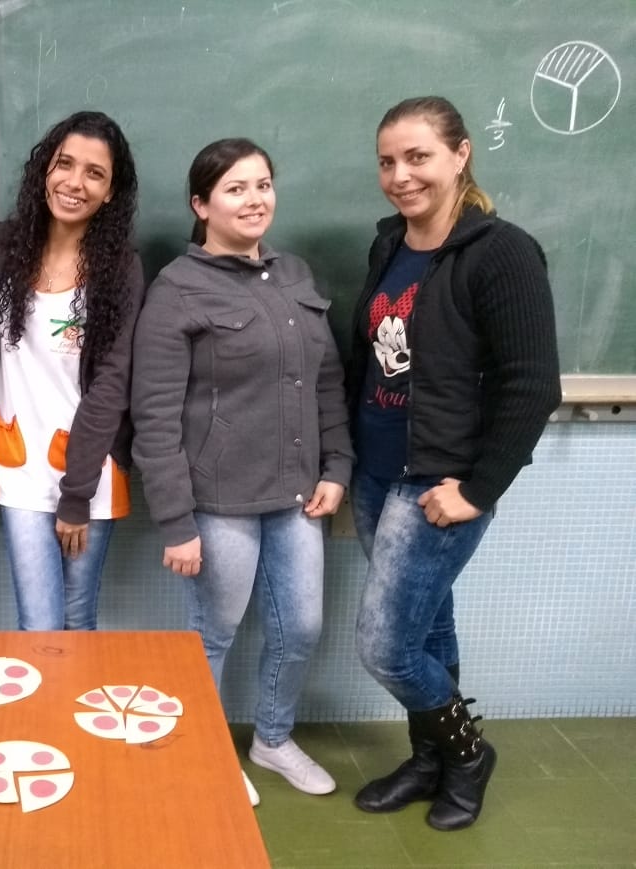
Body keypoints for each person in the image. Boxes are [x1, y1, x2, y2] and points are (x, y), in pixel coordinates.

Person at [347, 96, 561, 831]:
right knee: (429, 627)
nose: (400, 176)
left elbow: (533, 385)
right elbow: (369, 359)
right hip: (377, 470)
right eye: (387, 162)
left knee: (386, 647)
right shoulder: (389, 244)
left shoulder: (502, 253)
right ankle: (429, 760)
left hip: (439, 481)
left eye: (418, 157)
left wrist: (478, 489)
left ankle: (467, 755)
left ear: (461, 154)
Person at [131, 138, 353, 802]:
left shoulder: (295, 275)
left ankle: (273, 740)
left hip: (297, 493)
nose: (255, 200)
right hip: (218, 500)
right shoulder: (177, 289)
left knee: (302, 626)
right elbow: (155, 415)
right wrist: (176, 522)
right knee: (214, 632)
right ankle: (201, 752)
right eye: (235, 188)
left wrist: (337, 464)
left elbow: (326, 380)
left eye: (263, 185)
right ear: (201, 205)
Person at [0, 111, 143, 631]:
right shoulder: (2, 248)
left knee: (77, 621)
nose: (75, 182)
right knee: (39, 627)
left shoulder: (120, 268)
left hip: (89, 470)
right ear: (45, 169)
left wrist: (76, 495)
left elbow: (111, 386)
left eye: (95, 173)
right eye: (64, 164)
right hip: (19, 461)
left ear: (110, 193)